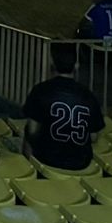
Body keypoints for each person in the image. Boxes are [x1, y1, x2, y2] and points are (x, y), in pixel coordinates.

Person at [22, 44, 104, 172]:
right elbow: (94, 137)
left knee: (26, 132)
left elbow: (32, 130)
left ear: (52, 65)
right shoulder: (89, 96)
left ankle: (29, 171)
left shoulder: (41, 90)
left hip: (46, 158)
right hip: (80, 162)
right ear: (76, 65)